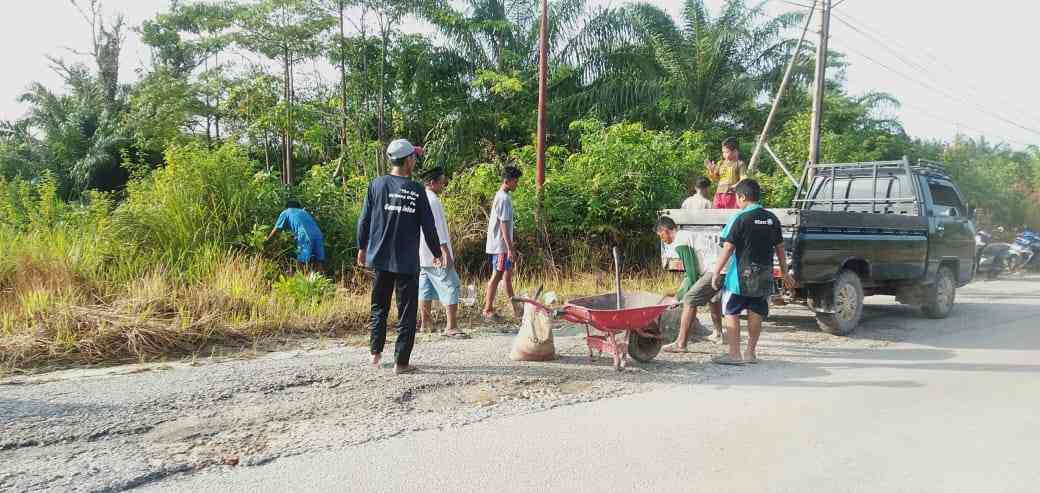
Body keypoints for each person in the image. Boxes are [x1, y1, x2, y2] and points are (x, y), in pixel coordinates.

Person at [356, 139, 442, 375]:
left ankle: (375, 353)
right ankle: (401, 363)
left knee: (379, 307)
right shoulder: (416, 190)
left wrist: (362, 247)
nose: (415, 161)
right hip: (406, 262)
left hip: (381, 257)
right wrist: (437, 252)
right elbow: (429, 226)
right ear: (407, 161)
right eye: (414, 157)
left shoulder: (376, 184)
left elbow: (364, 220)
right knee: (406, 311)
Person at [711, 179, 795, 365]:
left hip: (739, 277)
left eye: (737, 198)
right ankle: (750, 353)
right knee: (756, 310)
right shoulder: (772, 218)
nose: (736, 202)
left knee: (731, 311)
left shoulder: (740, 218)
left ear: (742, 197)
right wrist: (785, 272)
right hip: (764, 275)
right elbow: (780, 248)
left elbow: (728, 248)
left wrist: (717, 271)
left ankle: (734, 355)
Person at [655, 216, 725, 353]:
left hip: (717, 270)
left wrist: (679, 296)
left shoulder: (680, 240)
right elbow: (692, 272)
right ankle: (718, 334)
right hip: (721, 268)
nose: (662, 240)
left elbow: (692, 274)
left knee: (690, 299)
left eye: (660, 236)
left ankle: (681, 344)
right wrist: (680, 292)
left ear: (664, 231)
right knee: (713, 297)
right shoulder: (686, 235)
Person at [417, 166, 467, 339]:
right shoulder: (432, 201)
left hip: (423, 254)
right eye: (442, 181)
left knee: (425, 288)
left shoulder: (420, 198)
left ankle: (425, 323)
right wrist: (445, 252)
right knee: (451, 284)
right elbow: (437, 230)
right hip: (435, 253)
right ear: (432, 183)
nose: (444, 185)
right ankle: (451, 326)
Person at [482, 165, 523, 321]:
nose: (516, 184)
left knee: (506, 276)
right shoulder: (504, 198)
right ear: (507, 181)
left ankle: (516, 309)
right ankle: (488, 309)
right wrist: (510, 248)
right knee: (498, 275)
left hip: (502, 245)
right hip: (501, 246)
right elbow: (503, 225)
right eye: (515, 181)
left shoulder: (501, 196)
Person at [266, 199, 325, 273]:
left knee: (301, 262)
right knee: (318, 262)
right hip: (318, 235)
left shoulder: (286, 212)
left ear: (287, 207)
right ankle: (322, 281)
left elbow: (276, 229)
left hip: (305, 235)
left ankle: (300, 281)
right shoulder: (304, 212)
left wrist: (267, 241)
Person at [705, 137, 747, 209]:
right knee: (716, 215)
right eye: (723, 152)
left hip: (732, 195)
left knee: (731, 215)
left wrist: (735, 186)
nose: (724, 154)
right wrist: (711, 170)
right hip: (719, 195)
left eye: (726, 152)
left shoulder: (740, 164)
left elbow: (744, 178)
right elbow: (715, 180)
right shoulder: (720, 163)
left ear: (735, 151)